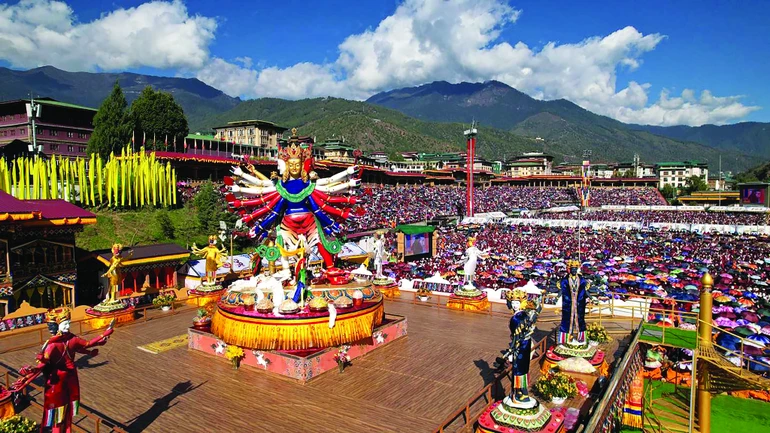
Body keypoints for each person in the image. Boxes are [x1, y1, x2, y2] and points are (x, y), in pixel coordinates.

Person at [12, 307, 113, 433]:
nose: (67, 326)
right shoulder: (59, 343)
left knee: (62, 410)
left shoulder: (58, 343)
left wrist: (102, 337)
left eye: (68, 323)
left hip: (64, 378)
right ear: (57, 326)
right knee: (59, 411)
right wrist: (103, 336)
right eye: (64, 324)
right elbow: (86, 345)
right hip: (60, 379)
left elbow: (86, 344)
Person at [503, 289, 542, 409]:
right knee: (523, 368)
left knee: (519, 369)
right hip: (525, 343)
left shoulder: (517, 318)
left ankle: (518, 393)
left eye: (517, 303)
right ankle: (522, 391)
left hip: (520, 345)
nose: (514, 305)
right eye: (513, 302)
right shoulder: (525, 314)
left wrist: (511, 349)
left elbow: (516, 337)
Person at [558, 259, 589, 346]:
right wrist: (557, 297)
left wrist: (591, 297)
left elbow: (584, 290)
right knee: (567, 320)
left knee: (580, 320)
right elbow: (563, 290)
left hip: (579, 303)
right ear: (569, 269)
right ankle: (566, 339)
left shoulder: (581, 279)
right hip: (568, 304)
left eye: (575, 269)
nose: (574, 270)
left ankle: (581, 339)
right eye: (572, 269)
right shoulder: (565, 280)